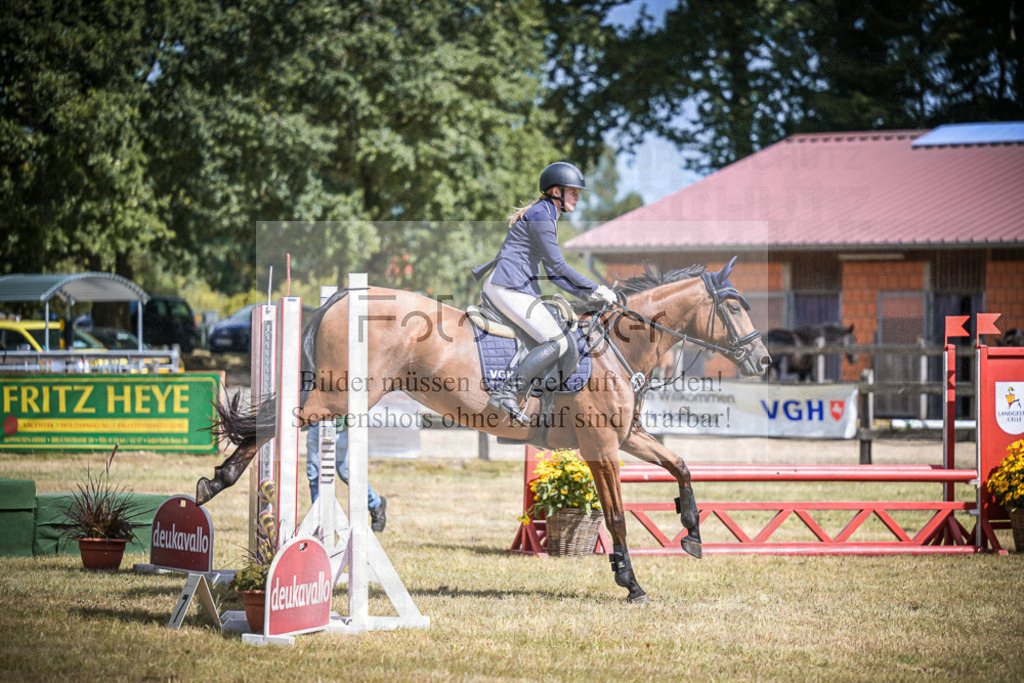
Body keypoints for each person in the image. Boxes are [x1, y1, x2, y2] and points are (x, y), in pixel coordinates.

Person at [471, 161, 617, 424]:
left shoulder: (546, 212)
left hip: (513, 284)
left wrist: (589, 296)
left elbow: (553, 273)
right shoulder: (543, 214)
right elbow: (558, 265)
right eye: (573, 191)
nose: (578, 197)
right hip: (508, 285)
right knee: (557, 341)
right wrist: (597, 288)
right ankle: (507, 393)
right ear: (556, 191)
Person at [306, 419, 387, 533]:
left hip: (339, 426)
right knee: (314, 474)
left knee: (346, 473)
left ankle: (376, 504)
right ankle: (319, 519)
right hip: (316, 425)